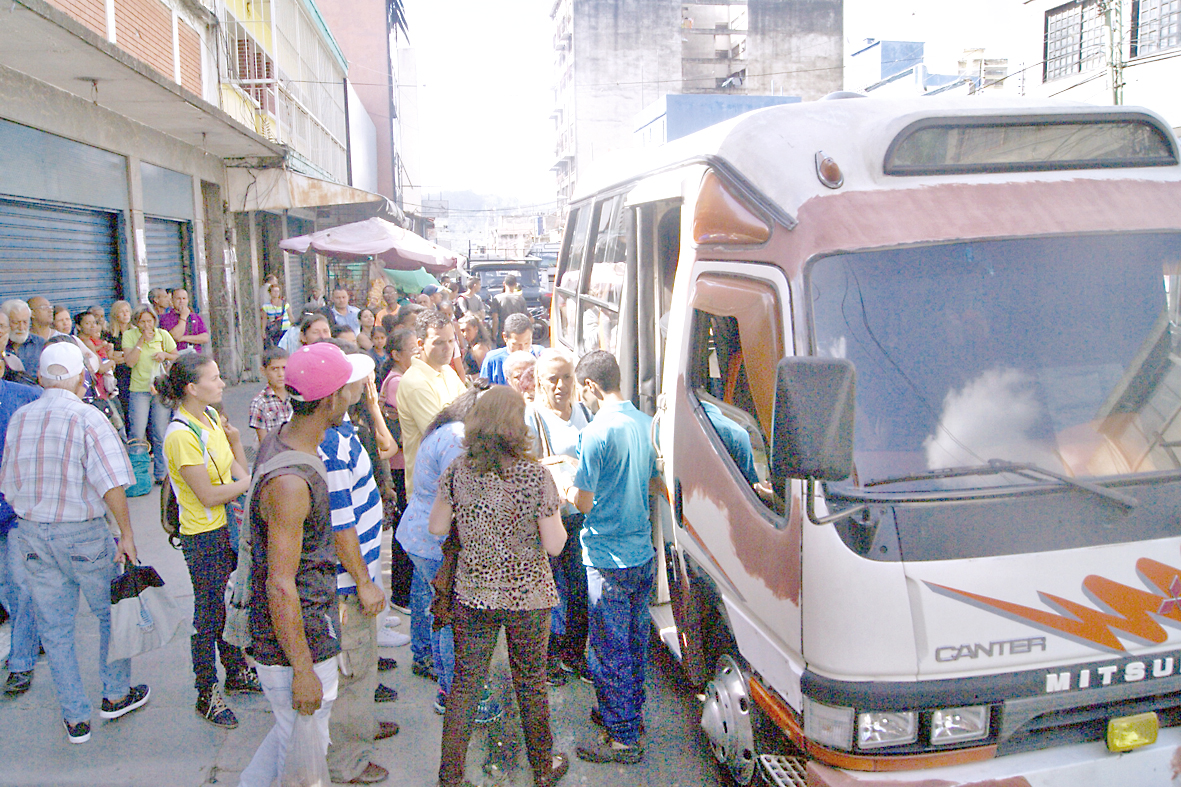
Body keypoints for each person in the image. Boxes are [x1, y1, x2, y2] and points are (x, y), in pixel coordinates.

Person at [0, 343, 148, 744]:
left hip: (31, 531)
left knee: (55, 627)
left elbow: (8, 481)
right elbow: (112, 482)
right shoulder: (87, 417)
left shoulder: (20, 418)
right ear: (81, 376)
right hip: (82, 532)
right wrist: (127, 534)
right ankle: (115, 694)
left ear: (44, 378)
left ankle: (75, 718)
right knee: (109, 614)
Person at [428, 385, 569, 787]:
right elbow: (556, 544)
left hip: (473, 594)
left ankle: (449, 776)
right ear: (516, 426)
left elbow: (437, 526)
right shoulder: (535, 476)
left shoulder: (458, 470)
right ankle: (543, 767)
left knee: (466, 686)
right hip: (529, 597)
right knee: (531, 683)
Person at [238, 343, 365, 787]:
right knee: (303, 748)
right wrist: (304, 669)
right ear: (330, 400)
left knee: (291, 738)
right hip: (294, 642)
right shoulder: (292, 483)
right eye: (347, 389)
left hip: (308, 625)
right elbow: (279, 584)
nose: (354, 394)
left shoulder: (288, 441)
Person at [159, 355, 261, 730]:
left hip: (229, 529)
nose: (221, 384)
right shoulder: (181, 435)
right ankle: (206, 690)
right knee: (208, 614)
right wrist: (249, 484)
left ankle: (236, 671)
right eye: (214, 378)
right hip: (203, 535)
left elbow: (237, 472)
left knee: (233, 603)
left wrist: (235, 445)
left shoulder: (213, 419)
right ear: (191, 387)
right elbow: (208, 494)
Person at [566, 351, 659, 765]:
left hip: (607, 556)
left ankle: (621, 737)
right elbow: (653, 482)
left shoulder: (596, 432)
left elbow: (583, 503)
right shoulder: (643, 421)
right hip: (641, 552)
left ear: (589, 386)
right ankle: (626, 716)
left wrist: (567, 484)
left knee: (608, 649)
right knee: (635, 643)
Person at [317, 347, 399, 785]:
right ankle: (348, 760)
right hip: (349, 583)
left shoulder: (344, 429)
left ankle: (361, 730)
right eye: (359, 383)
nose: (366, 386)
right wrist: (364, 582)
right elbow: (340, 523)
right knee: (352, 671)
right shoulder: (330, 445)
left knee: (362, 664)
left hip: (358, 574)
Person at [396, 385, 481, 704]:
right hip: (435, 539)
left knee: (440, 608)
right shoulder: (458, 437)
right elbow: (459, 492)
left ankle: (443, 681)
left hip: (421, 533)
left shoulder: (446, 428)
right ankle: (450, 693)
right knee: (451, 617)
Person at [526, 350, 594, 683]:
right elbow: (522, 469)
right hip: (549, 520)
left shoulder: (584, 411)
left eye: (566, 377)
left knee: (580, 587)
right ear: (539, 381)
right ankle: (549, 658)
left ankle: (573, 654)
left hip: (580, 516)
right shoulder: (532, 417)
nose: (560, 385)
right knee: (549, 591)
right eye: (553, 378)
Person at [0, 364, 42, 698]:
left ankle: (21, 661)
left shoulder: (25, 398)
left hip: (14, 512)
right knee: (7, 587)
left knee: (20, 584)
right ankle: (30, 635)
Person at [396, 310, 466, 495]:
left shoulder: (448, 371)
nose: (448, 347)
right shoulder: (415, 383)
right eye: (439, 342)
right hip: (429, 490)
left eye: (451, 341)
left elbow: (471, 409)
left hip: (452, 481)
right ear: (421, 344)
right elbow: (443, 434)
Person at [122, 305, 179, 483]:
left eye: (149, 321)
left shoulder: (162, 335)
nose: (147, 325)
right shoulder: (130, 336)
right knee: (137, 432)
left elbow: (176, 355)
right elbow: (130, 362)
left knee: (160, 431)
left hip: (159, 388)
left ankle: (162, 474)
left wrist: (164, 355)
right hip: (139, 389)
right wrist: (140, 342)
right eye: (142, 321)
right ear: (136, 323)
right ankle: (138, 474)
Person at [248, 347, 293, 443]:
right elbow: (263, 441)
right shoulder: (259, 403)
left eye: (284, 368)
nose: (280, 374)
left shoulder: (296, 396)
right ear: (263, 371)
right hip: (273, 452)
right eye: (274, 369)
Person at [480, 313, 538, 385]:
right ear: (505, 337)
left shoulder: (540, 355)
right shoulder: (493, 360)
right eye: (516, 344)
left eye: (527, 343)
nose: (522, 349)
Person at [107, 300, 134, 436]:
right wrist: (127, 355)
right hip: (120, 377)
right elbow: (109, 358)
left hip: (135, 374)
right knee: (126, 408)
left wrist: (121, 356)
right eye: (122, 311)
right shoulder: (109, 335)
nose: (125, 315)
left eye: (127, 311)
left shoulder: (135, 333)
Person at [160, 287, 209, 354]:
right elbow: (175, 336)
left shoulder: (195, 317)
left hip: (196, 355)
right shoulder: (165, 318)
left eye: (184, 298)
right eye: (178, 299)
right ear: (172, 301)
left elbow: (205, 338)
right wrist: (183, 317)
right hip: (178, 355)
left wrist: (183, 338)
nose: (181, 301)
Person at [2, 299, 46, 373]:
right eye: (15, 322)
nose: (21, 328)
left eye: (25, 322)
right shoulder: (1, 345)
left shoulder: (40, 344)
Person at [490, 274, 528, 341]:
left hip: (502, 335)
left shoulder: (497, 298)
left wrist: (493, 335)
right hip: (516, 335)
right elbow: (524, 319)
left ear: (504, 283)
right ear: (516, 285)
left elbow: (495, 319)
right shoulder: (521, 299)